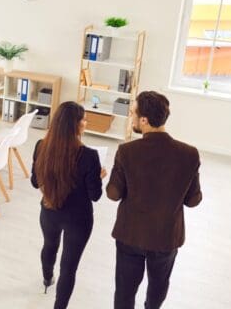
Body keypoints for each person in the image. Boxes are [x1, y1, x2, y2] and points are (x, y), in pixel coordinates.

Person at [107, 91, 202, 309]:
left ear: (144, 120)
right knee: (158, 288)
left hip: (130, 234)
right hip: (165, 237)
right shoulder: (189, 154)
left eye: (132, 113)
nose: (130, 117)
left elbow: (113, 194)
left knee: (124, 291)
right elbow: (193, 200)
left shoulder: (126, 151)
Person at [31, 101, 106, 308]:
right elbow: (95, 195)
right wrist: (98, 176)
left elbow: (35, 182)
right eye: (83, 119)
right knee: (69, 268)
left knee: (49, 245)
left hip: (49, 212)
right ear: (75, 125)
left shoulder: (40, 146)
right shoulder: (90, 156)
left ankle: (47, 278)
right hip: (78, 219)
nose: (86, 122)